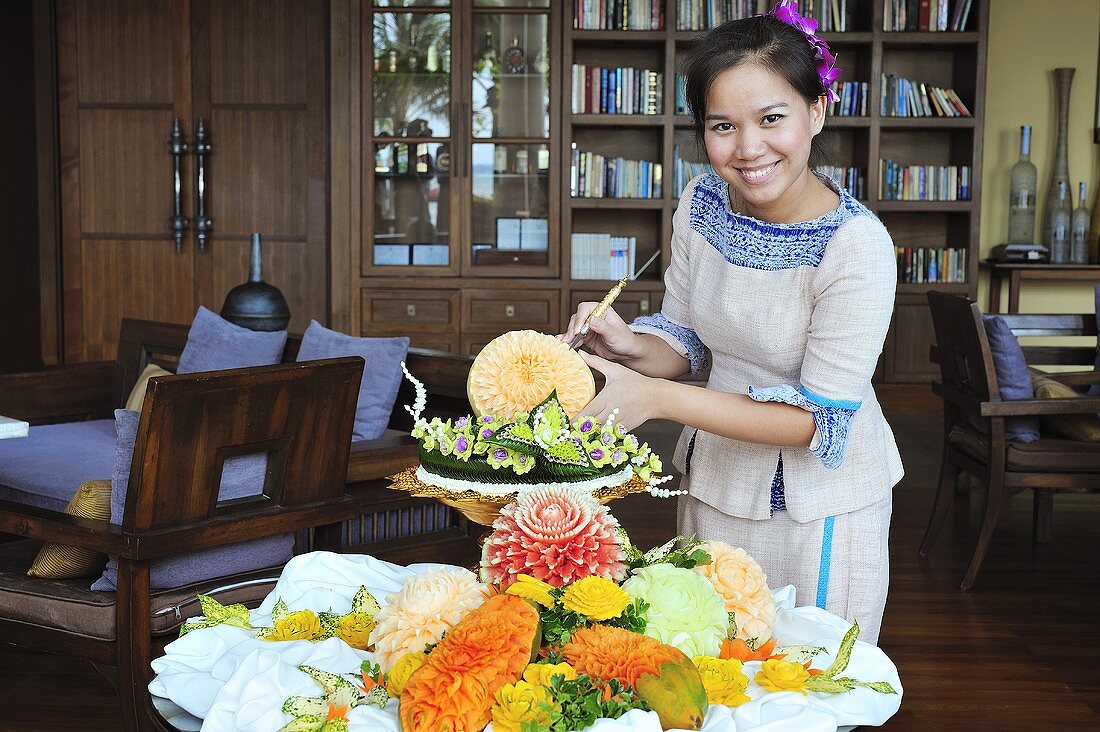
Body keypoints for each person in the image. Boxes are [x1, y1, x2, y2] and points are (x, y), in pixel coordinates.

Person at [560, 0, 903, 644]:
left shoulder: (856, 246)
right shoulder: (702, 202)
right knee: (707, 667)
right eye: (722, 126)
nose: (748, 149)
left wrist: (657, 398)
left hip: (818, 508)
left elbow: (815, 421)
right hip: (717, 481)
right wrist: (629, 345)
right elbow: (688, 342)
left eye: (771, 118)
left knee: (805, 683)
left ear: (816, 113)